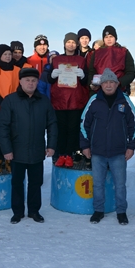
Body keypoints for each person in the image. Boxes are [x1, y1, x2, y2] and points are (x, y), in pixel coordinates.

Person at [0, 68, 57, 224]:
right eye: (27, 80)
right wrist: (7, 149)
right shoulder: (10, 100)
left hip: (37, 149)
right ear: (20, 82)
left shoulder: (44, 101)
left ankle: (34, 211)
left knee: (36, 183)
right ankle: (17, 212)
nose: (30, 83)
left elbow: (52, 124)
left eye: (33, 80)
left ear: (37, 82)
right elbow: (2, 127)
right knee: (17, 182)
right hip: (16, 151)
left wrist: (51, 145)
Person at [80, 68, 135, 225]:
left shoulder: (125, 101)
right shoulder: (93, 101)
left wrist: (131, 146)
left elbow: (134, 124)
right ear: (101, 84)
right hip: (97, 151)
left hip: (118, 152)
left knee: (120, 185)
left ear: (117, 84)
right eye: (105, 82)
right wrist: (85, 145)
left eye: (111, 82)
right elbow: (83, 124)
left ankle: (121, 212)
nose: (108, 85)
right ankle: (98, 211)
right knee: (98, 184)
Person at [49, 32, 89, 168]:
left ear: (76, 44)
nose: (70, 44)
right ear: (64, 43)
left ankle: (69, 154)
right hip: (59, 99)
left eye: (73, 42)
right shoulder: (56, 60)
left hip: (75, 100)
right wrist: (52, 75)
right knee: (61, 128)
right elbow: (49, 79)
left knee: (73, 129)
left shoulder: (81, 60)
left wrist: (83, 76)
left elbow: (86, 82)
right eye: (68, 42)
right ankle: (61, 154)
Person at [0, 44, 25, 174]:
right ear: (0, 55)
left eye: (9, 54)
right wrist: (3, 103)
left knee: (12, 133)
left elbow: (20, 89)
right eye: (5, 54)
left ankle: (9, 159)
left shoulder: (17, 70)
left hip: (13, 107)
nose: (8, 57)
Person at [88, 25, 135, 95]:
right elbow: (91, 72)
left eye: (111, 37)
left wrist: (119, 82)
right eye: (106, 37)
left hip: (119, 91)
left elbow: (131, 73)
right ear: (103, 39)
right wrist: (91, 84)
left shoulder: (124, 52)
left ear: (115, 38)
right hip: (99, 91)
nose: (109, 39)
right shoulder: (96, 53)